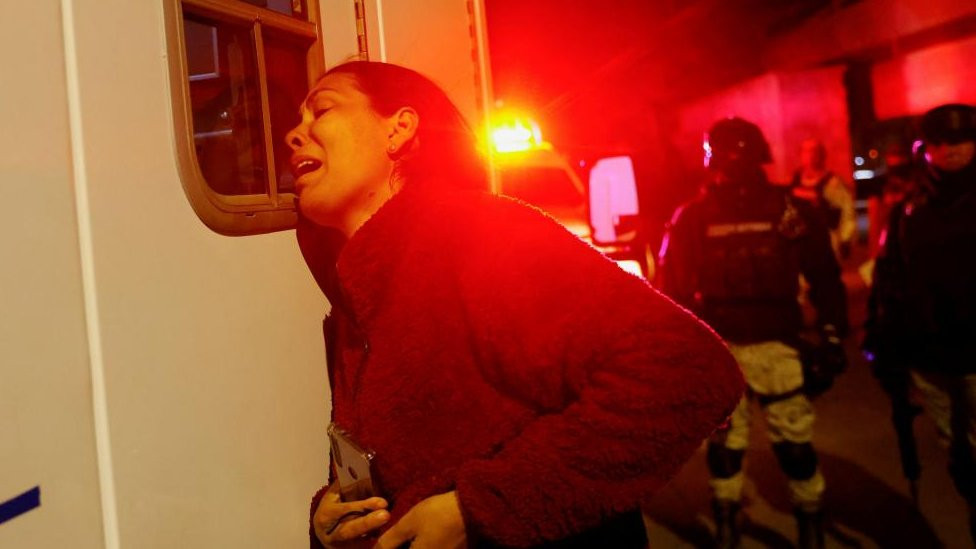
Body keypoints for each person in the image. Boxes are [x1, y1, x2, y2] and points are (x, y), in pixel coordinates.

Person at [285, 61, 744, 549]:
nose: (295, 133)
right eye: (297, 120)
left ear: (399, 129)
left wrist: (479, 508)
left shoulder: (476, 234)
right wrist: (334, 519)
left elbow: (689, 369)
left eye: (322, 110)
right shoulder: (353, 296)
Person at [658, 117, 848, 549]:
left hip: (777, 342)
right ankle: (730, 522)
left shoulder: (791, 211)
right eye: (726, 159)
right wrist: (679, 354)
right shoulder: (692, 217)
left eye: (740, 159)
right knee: (727, 447)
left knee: (793, 445)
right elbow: (673, 291)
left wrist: (834, 332)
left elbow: (824, 275)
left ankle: (809, 522)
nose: (733, 168)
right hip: (720, 348)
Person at [864, 103, 976, 544]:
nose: (950, 150)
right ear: (924, 149)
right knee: (959, 459)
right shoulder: (910, 210)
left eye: (961, 140)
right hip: (930, 356)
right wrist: (879, 340)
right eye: (939, 142)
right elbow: (890, 279)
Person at [790, 138, 857, 260]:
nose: (810, 155)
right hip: (800, 242)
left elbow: (847, 211)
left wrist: (845, 238)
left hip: (825, 242)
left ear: (821, 155)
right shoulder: (794, 180)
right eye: (805, 151)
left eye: (814, 151)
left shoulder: (832, 183)